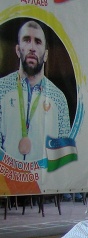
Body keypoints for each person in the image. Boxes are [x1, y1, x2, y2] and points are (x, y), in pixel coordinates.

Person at [0, 20, 70, 162]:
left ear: (46, 55)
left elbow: (63, 151)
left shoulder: (58, 98)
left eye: (38, 42)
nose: (32, 47)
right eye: (27, 40)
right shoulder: (2, 88)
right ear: (18, 50)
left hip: (44, 175)